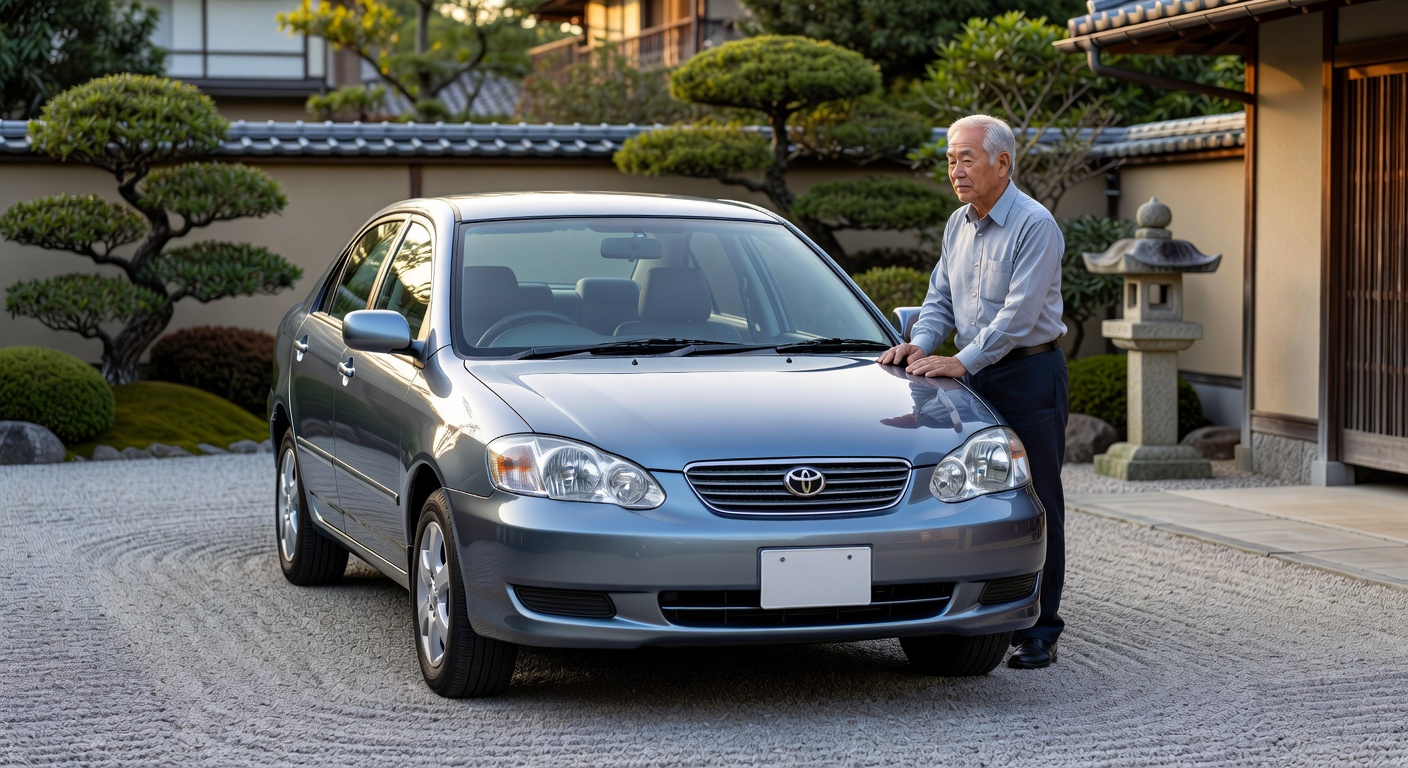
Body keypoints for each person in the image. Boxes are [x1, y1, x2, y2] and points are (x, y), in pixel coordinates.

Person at [878, 114, 1069, 670]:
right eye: (950, 159)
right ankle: (972, 611)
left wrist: (959, 360)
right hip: (968, 372)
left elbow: (1018, 316)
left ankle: (1041, 628)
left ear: (1002, 163)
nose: (955, 170)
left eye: (966, 158)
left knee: (1037, 498)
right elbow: (939, 297)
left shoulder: (1036, 224)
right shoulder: (957, 224)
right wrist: (917, 346)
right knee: (960, 489)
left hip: (1029, 374)